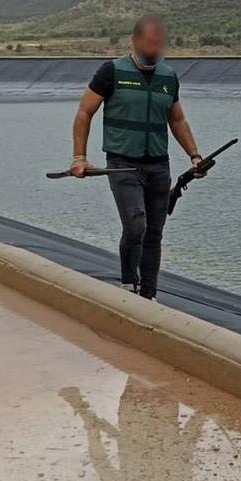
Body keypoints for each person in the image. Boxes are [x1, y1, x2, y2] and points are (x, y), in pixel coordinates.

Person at [69, 15, 205, 300]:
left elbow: (177, 120)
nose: (154, 50)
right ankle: (129, 285)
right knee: (136, 226)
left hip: (158, 165)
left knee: (154, 232)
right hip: (122, 165)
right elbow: (84, 113)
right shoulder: (111, 72)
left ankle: (149, 295)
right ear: (135, 41)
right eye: (149, 44)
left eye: (159, 45)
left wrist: (195, 156)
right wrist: (79, 157)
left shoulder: (168, 76)